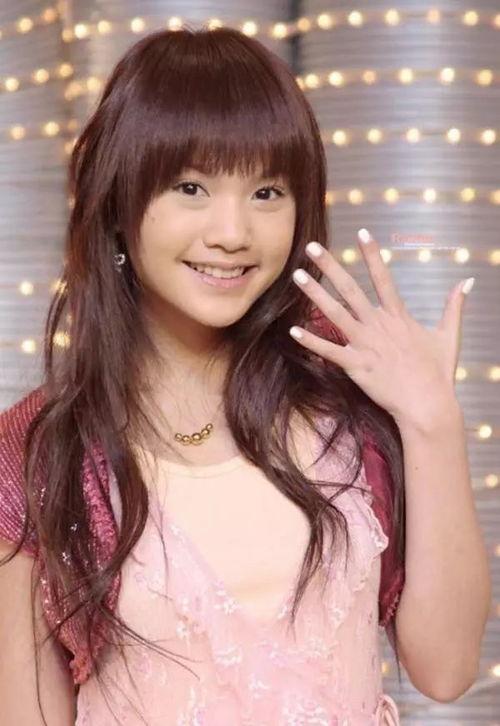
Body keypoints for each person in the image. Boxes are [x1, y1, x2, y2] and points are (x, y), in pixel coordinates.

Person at [1, 24, 433, 726]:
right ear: (118, 206)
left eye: (267, 192)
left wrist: (433, 423)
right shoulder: (37, 456)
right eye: (191, 187)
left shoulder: (347, 399)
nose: (232, 233)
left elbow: (446, 666)